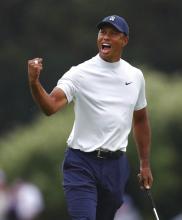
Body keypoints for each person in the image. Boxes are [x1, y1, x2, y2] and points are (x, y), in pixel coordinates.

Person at [28, 15, 153, 220]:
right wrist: (34, 82)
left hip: (116, 165)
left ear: (124, 40)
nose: (106, 37)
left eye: (113, 34)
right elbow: (50, 107)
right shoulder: (80, 73)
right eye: (103, 32)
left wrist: (145, 164)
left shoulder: (135, 76)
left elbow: (140, 120)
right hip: (81, 163)